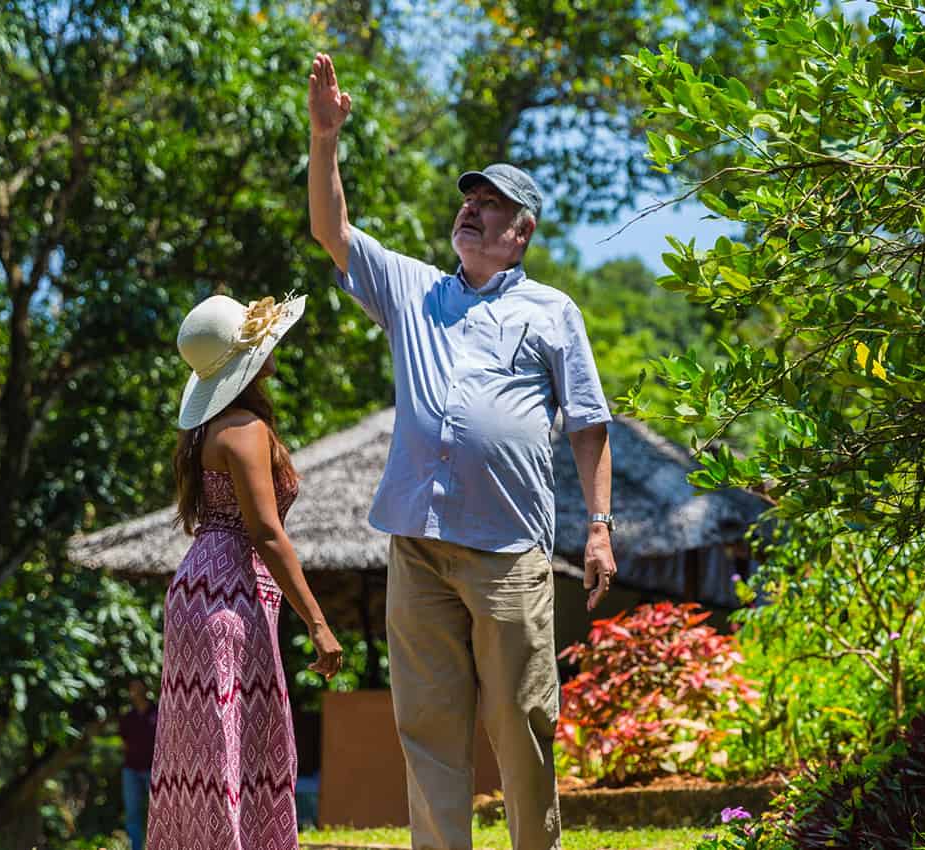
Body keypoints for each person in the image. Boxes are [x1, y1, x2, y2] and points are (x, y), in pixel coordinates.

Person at [305, 52, 619, 850]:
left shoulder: (553, 312)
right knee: (430, 730)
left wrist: (600, 526)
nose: (473, 211)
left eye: (493, 206)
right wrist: (324, 138)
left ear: (522, 234)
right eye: (469, 200)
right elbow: (329, 229)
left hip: (509, 553)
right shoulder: (414, 290)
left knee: (520, 727)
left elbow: (588, 423)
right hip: (416, 546)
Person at [147, 293, 344, 850]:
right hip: (227, 592)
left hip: (198, 587)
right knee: (228, 740)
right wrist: (318, 621)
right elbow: (265, 532)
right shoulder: (246, 426)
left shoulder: (209, 428)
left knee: (208, 743)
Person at [119, 679, 159, 850]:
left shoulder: (158, 712)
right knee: (133, 813)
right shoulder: (128, 716)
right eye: (132, 688)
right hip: (132, 770)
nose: (135, 691)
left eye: (138, 687)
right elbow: (124, 742)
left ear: (145, 688)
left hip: (154, 770)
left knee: (158, 811)